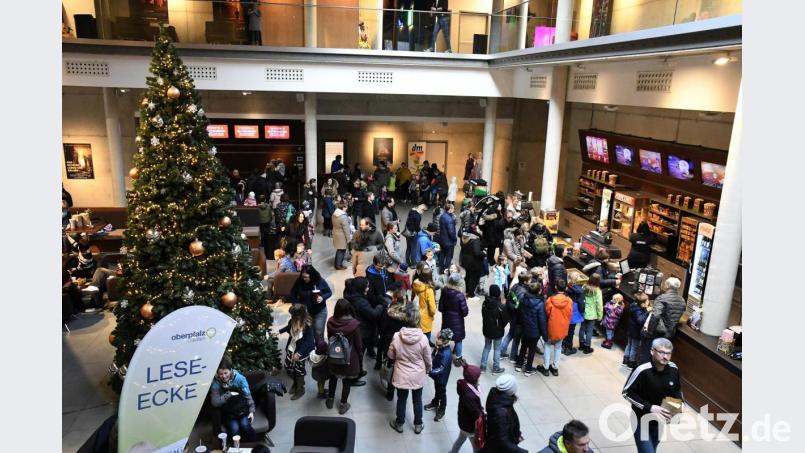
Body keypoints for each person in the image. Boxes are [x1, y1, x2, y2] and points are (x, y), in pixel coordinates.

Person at [623, 338, 683, 453]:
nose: (665, 356)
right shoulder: (642, 370)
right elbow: (627, 393)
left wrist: (679, 407)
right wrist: (650, 407)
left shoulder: (673, 369)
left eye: (668, 353)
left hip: (659, 421)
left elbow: (676, 390)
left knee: (652, 449)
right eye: (661, 352)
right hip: (641, 420)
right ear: (652, 351)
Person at [388, 308, 432, 434]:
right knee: (417, 400)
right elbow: (428, 358)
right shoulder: (423, 339)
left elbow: (390, 355)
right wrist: (428, 369)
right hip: (417, 374)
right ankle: (418, 424)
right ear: (418, 320)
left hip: (401, 373)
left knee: (401, 399)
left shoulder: (397, 336)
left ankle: (399, 423)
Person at [325, 299, 363, 414]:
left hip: (334, 355)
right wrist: (360, 355)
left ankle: (330, 399)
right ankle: (343, 404)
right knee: (347, 381)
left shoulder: (330, 322)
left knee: (333, 377)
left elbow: (329, 337)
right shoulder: (354, 324)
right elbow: (358, 344)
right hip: (349, 358)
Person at [639, 277, 686, 364]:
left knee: (646, 356)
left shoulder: (662, 298)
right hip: (669, 335)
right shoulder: (682, 301)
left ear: (667, 286)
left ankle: (643, 375)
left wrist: (649, 332)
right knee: (660, 359)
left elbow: (655, 315)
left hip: (656, 333)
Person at [344, 277, 384, 375]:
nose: (368, 289)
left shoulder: (350, 295)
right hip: (363, 331)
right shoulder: (360, 302)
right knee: (359, 354)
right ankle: (357, 373)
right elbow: (373, 314)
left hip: (354, 328)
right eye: (367, 287)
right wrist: (381, 306)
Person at [210, 357, 256, 442]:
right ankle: (236, 447)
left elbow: (248, 395)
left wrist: (252, 411)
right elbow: (215, 402)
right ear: (217, 373)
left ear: (230, 370)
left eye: (225, 373)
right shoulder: (216, 383)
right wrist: (229, 394)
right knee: (235, 429)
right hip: (228, 413)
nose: (223, 376)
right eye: (220, 374)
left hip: (242, 410)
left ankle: (252, 443)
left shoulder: (240, 379)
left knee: (245, 425)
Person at [378, 289, 414, 388]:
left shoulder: (388, 312)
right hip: (404, 342)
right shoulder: (410, 312)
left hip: (389, 341)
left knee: (389, 363)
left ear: (394, 298)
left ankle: (390, 389)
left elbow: (382, 327)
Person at [279, 304, 315, 400]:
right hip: (293, 347)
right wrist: (279, 331)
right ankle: (295, 384)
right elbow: (289, 327)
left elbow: (308, 341)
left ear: (300, 315)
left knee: (299, 370)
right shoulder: (293, 320)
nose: (292, 317)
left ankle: (300, 389)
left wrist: (299, 353)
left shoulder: (307, 325)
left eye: (293, 315)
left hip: (301, 350)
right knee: (292, 367)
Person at [482, 374, 527, 453]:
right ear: (511, 390)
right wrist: (520, 451)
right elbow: (502, 441)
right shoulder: (501, 413)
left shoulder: (498, 398)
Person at [290, 265, 333, 342]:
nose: (304, 279)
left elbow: (329, 292)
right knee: (307, 333)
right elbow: (293, 293)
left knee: (318, 333)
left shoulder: (320, 281)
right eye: (303, 277)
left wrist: (322, 298)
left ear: (312, 276)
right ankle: (310, 350)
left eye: (306, 277)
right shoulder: (299, 281)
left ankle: (320, 350)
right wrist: (295, 304)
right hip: (305, 312)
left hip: (319, 311)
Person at [516, 280, 547, 377]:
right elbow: (542, 321)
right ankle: (528, 369)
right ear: (538, 291)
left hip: (524, 328)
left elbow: (520, 312)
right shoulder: (540, 304)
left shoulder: (523, 299)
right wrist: (545, 335)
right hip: (534, 331)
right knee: (532, 350)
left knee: (523, 346)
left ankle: (519, 364)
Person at [449, 363, 483, 453]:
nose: (479, 378)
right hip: (470, 426)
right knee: (477, 448)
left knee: (461, 439)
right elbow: (475, 413)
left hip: (464, 423)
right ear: (473, 380)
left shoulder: (464, 385)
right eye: (478, 377)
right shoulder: (469, 396)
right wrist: (482, 413)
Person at [543, 279, 572, 376]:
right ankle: (555, 368)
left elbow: (547, 312)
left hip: (551, 327)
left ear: (556, 287)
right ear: (566, 288)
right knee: (558, 347)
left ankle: (546, 367)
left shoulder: (550, 300)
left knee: (547, 345)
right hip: (562, 327)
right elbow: (569, 314)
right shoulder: (569, 301)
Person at [440, 272, 469, 366]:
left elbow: (440, 307)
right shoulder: (460, 295)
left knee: (445, 338)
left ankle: (442, 356)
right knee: (458, 340)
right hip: (457, 322)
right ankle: (458, 359)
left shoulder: (444, 291)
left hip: (446, 319)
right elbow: (465, 312)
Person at [500, 271, 530, 362]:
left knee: (510, 334)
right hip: (518, 319)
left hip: (511, 315)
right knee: (516, 338)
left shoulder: (514, 286)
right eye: (529, 280)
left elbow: (509, 299)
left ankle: (501, 352)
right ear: (525, 281)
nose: (530, 281)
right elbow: (520, 307)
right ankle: (513, 357)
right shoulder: (524, 292)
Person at [425, 328, 454, 421]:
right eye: (437, 338)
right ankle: (435, 402)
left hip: (441, 377)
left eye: (439, 339)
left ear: (445, 341)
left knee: (442, 392)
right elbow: (434, 356)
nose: (436, 340)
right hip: (437, 376)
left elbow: (441, 369)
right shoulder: (439, 347)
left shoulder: (446, 354)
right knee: (437, 389)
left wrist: (429, 371)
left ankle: (442, 409)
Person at [480, 284, 509, 374]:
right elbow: (505, 319)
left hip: (487, 329)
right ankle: (496, 367)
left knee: (487, 347)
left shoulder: (485, 303)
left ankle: (483, 367)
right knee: (497, 349)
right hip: (497, 331)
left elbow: (483, 315)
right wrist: (500, 326)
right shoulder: (501, 306)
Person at [562, 272, 586, 355]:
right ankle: (568, 348)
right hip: (574, 310)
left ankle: (563, 345)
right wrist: (582, 311)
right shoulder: (580, 291)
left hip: (565, 309)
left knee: (565, 328)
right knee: (571, 330)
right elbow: (581, 303)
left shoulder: (566, 287)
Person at [579, 274, 603, 354]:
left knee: (582, 329)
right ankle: (587, 347)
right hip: (592, 315)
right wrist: (600, 316)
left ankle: (581, 345)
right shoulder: (598, 291)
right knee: (589, 331)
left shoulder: (584, 286)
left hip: (583, 311)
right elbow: (599, 305)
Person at [460, 224, 486, 298]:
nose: (479, 230)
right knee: (473, 278)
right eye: (477, 229)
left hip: (465, 260)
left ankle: (467, 291)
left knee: (468, 276)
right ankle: (471, 294)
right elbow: (477, 252)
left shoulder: (464, 236)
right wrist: (484, 253)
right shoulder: (475, 239)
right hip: (474, 262)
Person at [412, 268, 437, 341]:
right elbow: (432, 308)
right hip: (426, 315)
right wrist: (432, 314)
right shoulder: (429, 290)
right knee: (426, 334)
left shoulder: (416, 284)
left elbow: (413, 295)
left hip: (417, 312)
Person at [626, 293, 650, 369]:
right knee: (634, 347)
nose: (648, 302)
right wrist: (647, 311)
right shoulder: (639, 310)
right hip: (636, 332)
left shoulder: (634, 306)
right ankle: (631, 363)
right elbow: (640, 320)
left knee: (629, 345)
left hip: (631, 329)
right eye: (647, 301)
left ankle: (625, 360)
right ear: (642, 304)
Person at [438, 202, 458, 272]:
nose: (454, 210)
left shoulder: (442, 216)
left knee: (442, 255)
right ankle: (446, 270)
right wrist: (455, 239)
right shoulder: (450, 219)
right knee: (449, 256)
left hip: (442, 240)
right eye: (453, 208)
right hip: (449, 242)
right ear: (450, 209)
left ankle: (441, 269)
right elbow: (451, 232)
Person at [332, 201, 352, 270]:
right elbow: (346, 229)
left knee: (339, 250)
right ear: (343, 207)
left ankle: (337, 264)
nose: (346, 208)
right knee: (342, 251)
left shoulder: (335, 213)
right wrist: (349, 239)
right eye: (346, 207)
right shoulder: (343, 217)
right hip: (342, 236)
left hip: (336, 233)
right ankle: (338, 265)